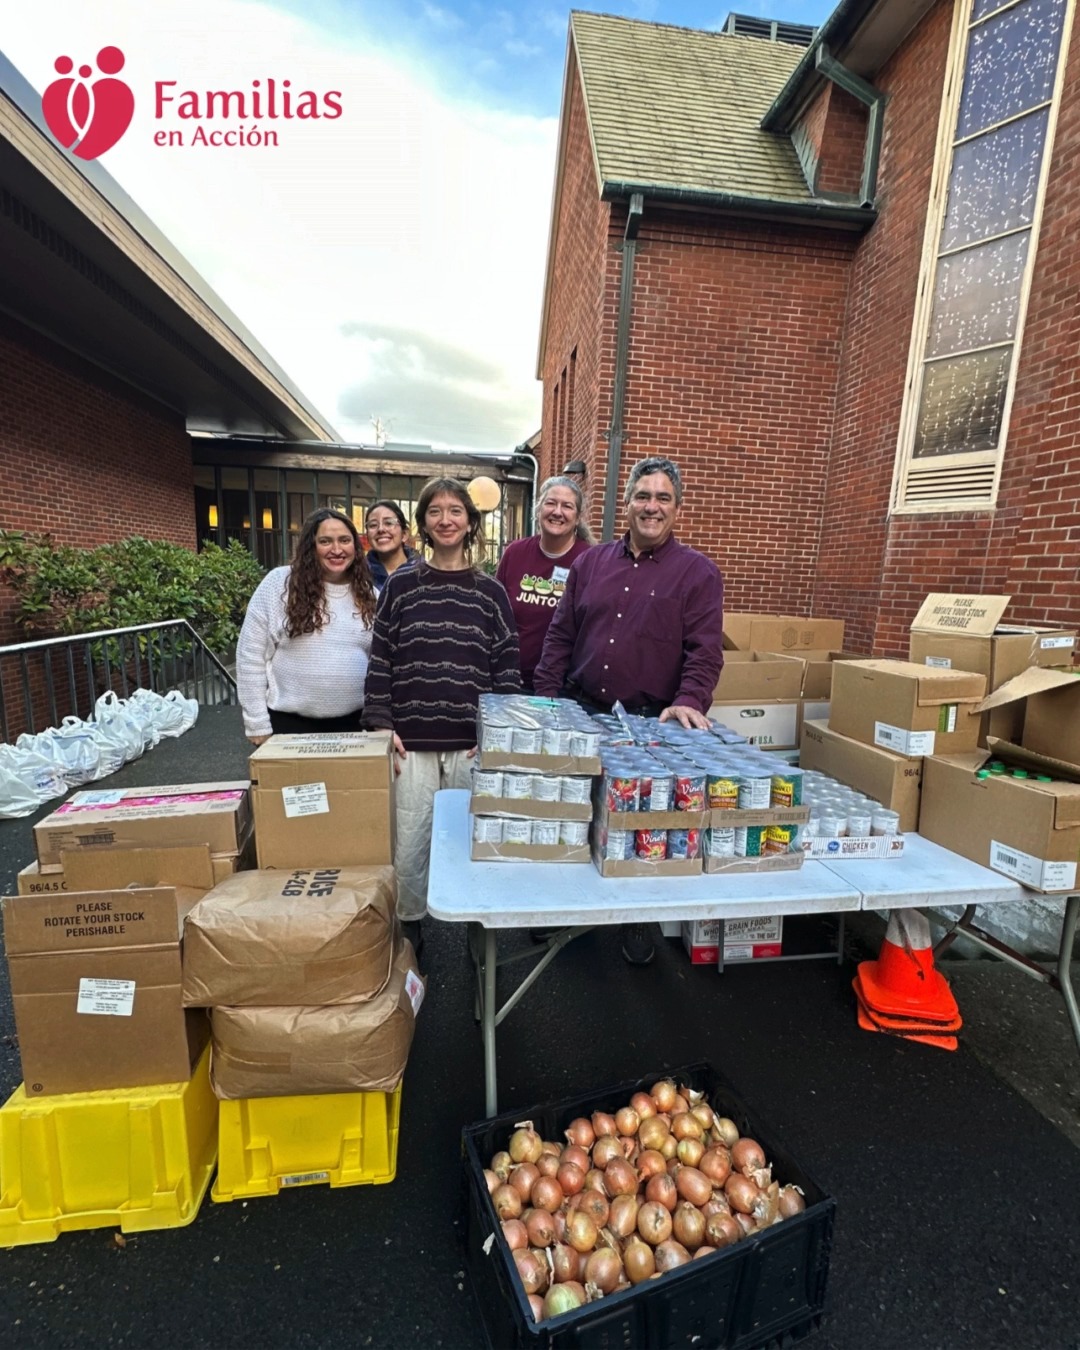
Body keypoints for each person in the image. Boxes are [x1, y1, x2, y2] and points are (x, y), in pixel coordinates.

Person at [534, 455, 724, 966]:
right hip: (583, 711)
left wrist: (689, 699)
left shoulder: (698, 574)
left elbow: (705, 651)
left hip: (649, 725)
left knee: (640, 826)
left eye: (663, 497)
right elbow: (561, 637)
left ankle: (637, 919)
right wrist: (547, 702)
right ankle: (559, 913)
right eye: (643, 496)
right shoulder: (589, 565)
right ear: (627, 503)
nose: (652, 506)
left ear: (677, 509)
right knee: (574, 815)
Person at [362, 477, 521, 954]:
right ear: (424, 524)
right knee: (409, 846)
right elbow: (381, 658)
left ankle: (479, 934)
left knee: (474, 843)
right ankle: (411, 934)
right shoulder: (400, 585)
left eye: (456, 511)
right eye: (435, 511)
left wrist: (495, 732)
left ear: (471, 522)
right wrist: (382, 724)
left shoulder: (491, 594)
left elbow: (507, 668)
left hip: (471, 744)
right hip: (411, 744)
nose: (446, 519)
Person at [236, 508, 377, 745]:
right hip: (288, 727)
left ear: (356, 546)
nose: (337, 549)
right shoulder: (279, 585)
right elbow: (250, 656)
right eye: (325, 541)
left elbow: (381, 663)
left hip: (356, 726)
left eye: (344, 540)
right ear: (311, 547)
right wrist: (256, 723)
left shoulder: (371, 595)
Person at [495, 475, 594, 690]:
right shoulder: (515, 553)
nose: (557, 512)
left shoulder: (590, 561)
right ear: (539, 510)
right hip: (513, 682)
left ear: (577, 518)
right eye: (550, 503)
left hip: (564, 689)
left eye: (567, 506)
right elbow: (496, 617)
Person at [364, 500, 420, 591]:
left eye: (389, 523)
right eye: (373, 525)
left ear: (404, 534)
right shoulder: (359, 574)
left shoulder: (424, 573)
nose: (381, 529)